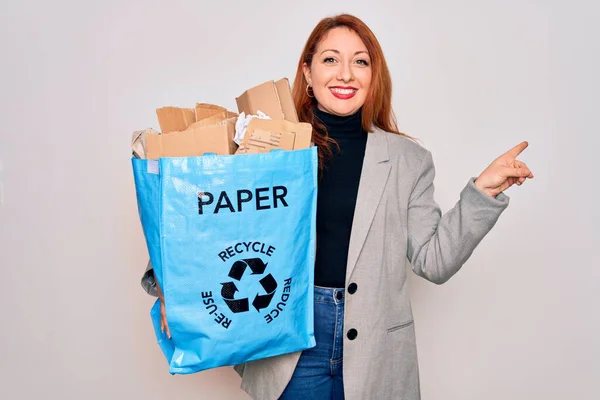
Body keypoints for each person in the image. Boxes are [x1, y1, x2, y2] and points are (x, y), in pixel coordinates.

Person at [141, 13, 533, 400]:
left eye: (360, 61)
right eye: (331, 59)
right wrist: (173, 292)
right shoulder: (266, 147)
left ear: (373, 76)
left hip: (376, 351)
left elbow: (434, 261)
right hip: (289, 343)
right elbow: (203, 221)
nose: (345, 73)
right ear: (308, 73)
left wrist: (483, 192)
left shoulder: (408, 160)